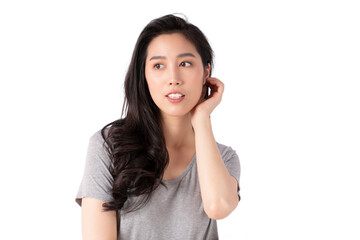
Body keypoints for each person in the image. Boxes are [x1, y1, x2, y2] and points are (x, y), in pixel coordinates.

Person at [75, 14, 241, 240]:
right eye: (158, 65)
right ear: (144, 74)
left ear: (206, 72)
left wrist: (202, 118)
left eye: (185, 63)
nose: (173, 78)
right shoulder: (108, 147)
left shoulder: (223, 158)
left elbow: (218, 207)